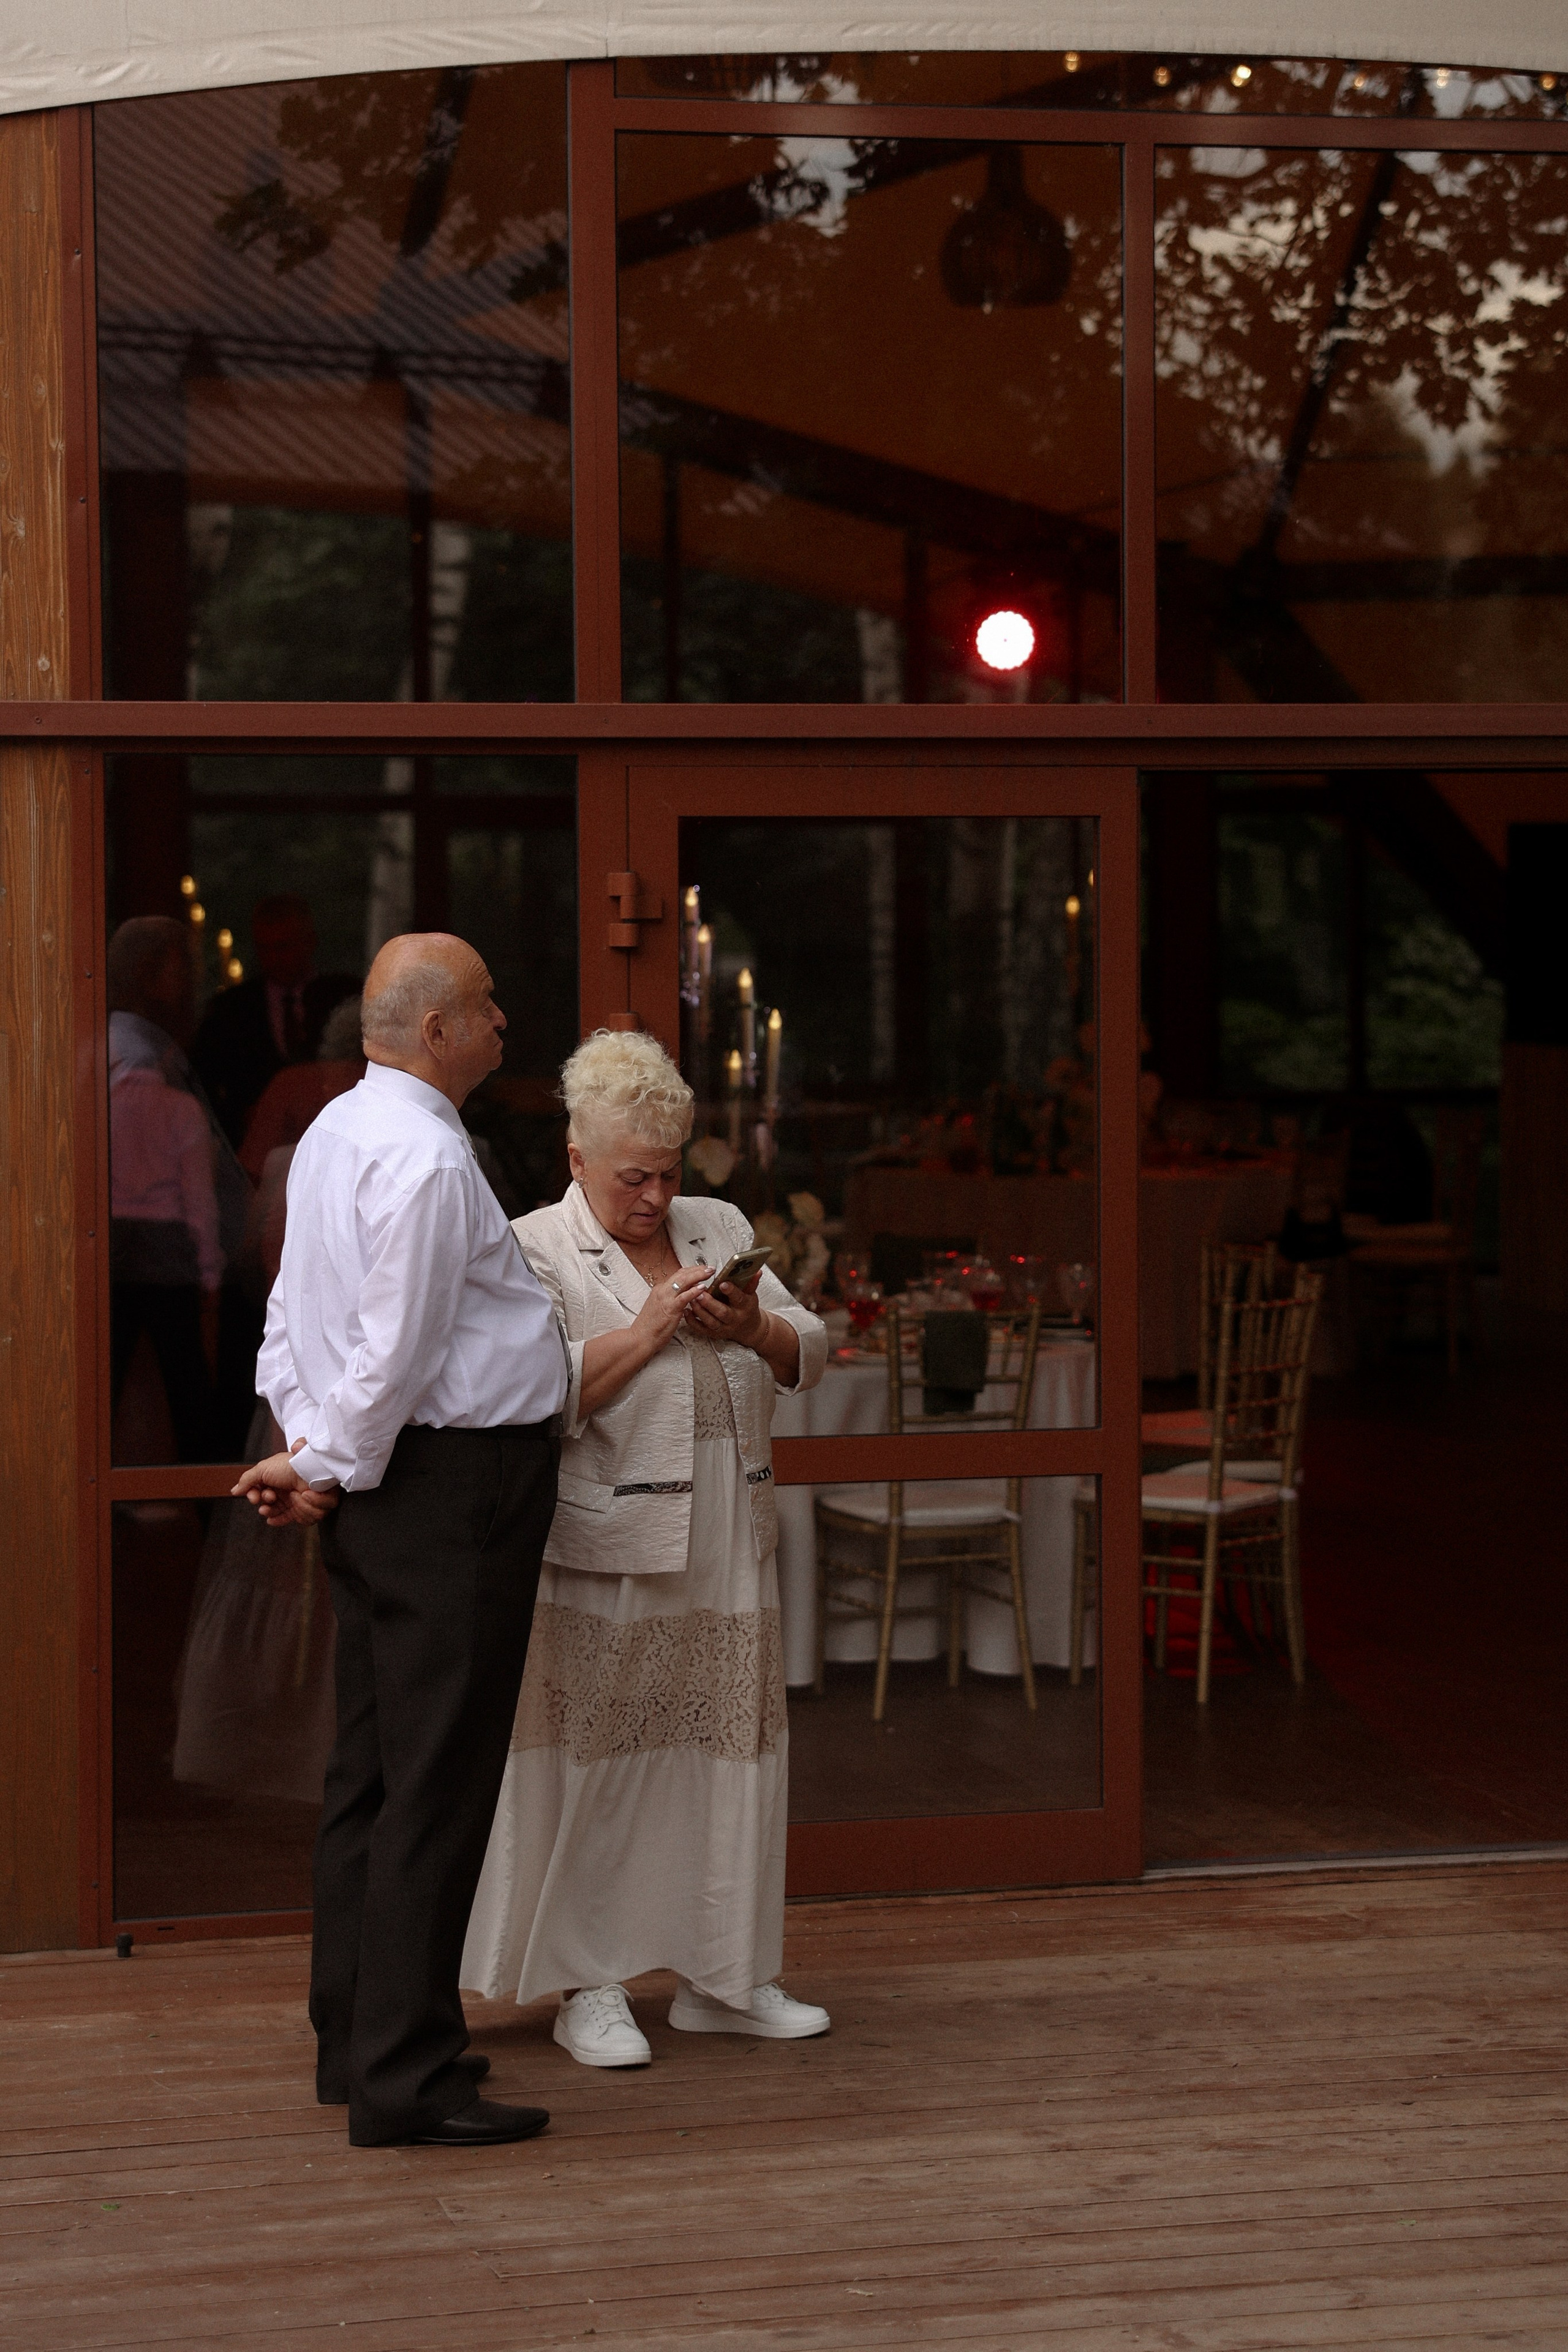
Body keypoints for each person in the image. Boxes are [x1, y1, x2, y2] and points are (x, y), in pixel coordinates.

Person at [233, 933, 566, 2149]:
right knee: (435, 1783)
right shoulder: (424, 1154)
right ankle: (407, 2077)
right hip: (449, 1493)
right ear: (436, 1031)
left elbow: (291, 1312)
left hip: (390, 1485)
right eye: (486, 1006)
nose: (502, 1024)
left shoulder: (336, 1131)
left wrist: (307, 1446)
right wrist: (323, 1459)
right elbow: (398, 1344)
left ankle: (359, 2041)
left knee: (373, 1774)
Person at [461, 1028, 831, 2067]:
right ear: (578, 1158)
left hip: (729, 1532)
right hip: (610, 1543)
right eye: (635, 1177)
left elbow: (810, 1347)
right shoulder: (534, 1245)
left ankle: (726, 1976)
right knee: (603, 1767)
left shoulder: (719, 1223)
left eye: (668, 1173)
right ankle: (591, 1984)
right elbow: (533, 1392)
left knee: (730, 1758)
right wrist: (650, 1330)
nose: (657, 1197)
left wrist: (753, 1327)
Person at [108, 916, 246, 1462]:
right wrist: (210, 1268)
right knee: (182, 1375)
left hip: (118, 1244)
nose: (189, 980)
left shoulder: (133, 1054)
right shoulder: (138, 1049)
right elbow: (197, 1194)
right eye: (178, 967)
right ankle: (201, 1490)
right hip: (164, 1250)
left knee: (119, 1371)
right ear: (146, 973)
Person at [193, 893, 358, 1146]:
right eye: (264, 948)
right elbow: (207, 1086)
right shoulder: (231, 1009)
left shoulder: (344, 1000)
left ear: (310, 941)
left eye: (283, 947)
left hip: (338, 1136)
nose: (274, 958)